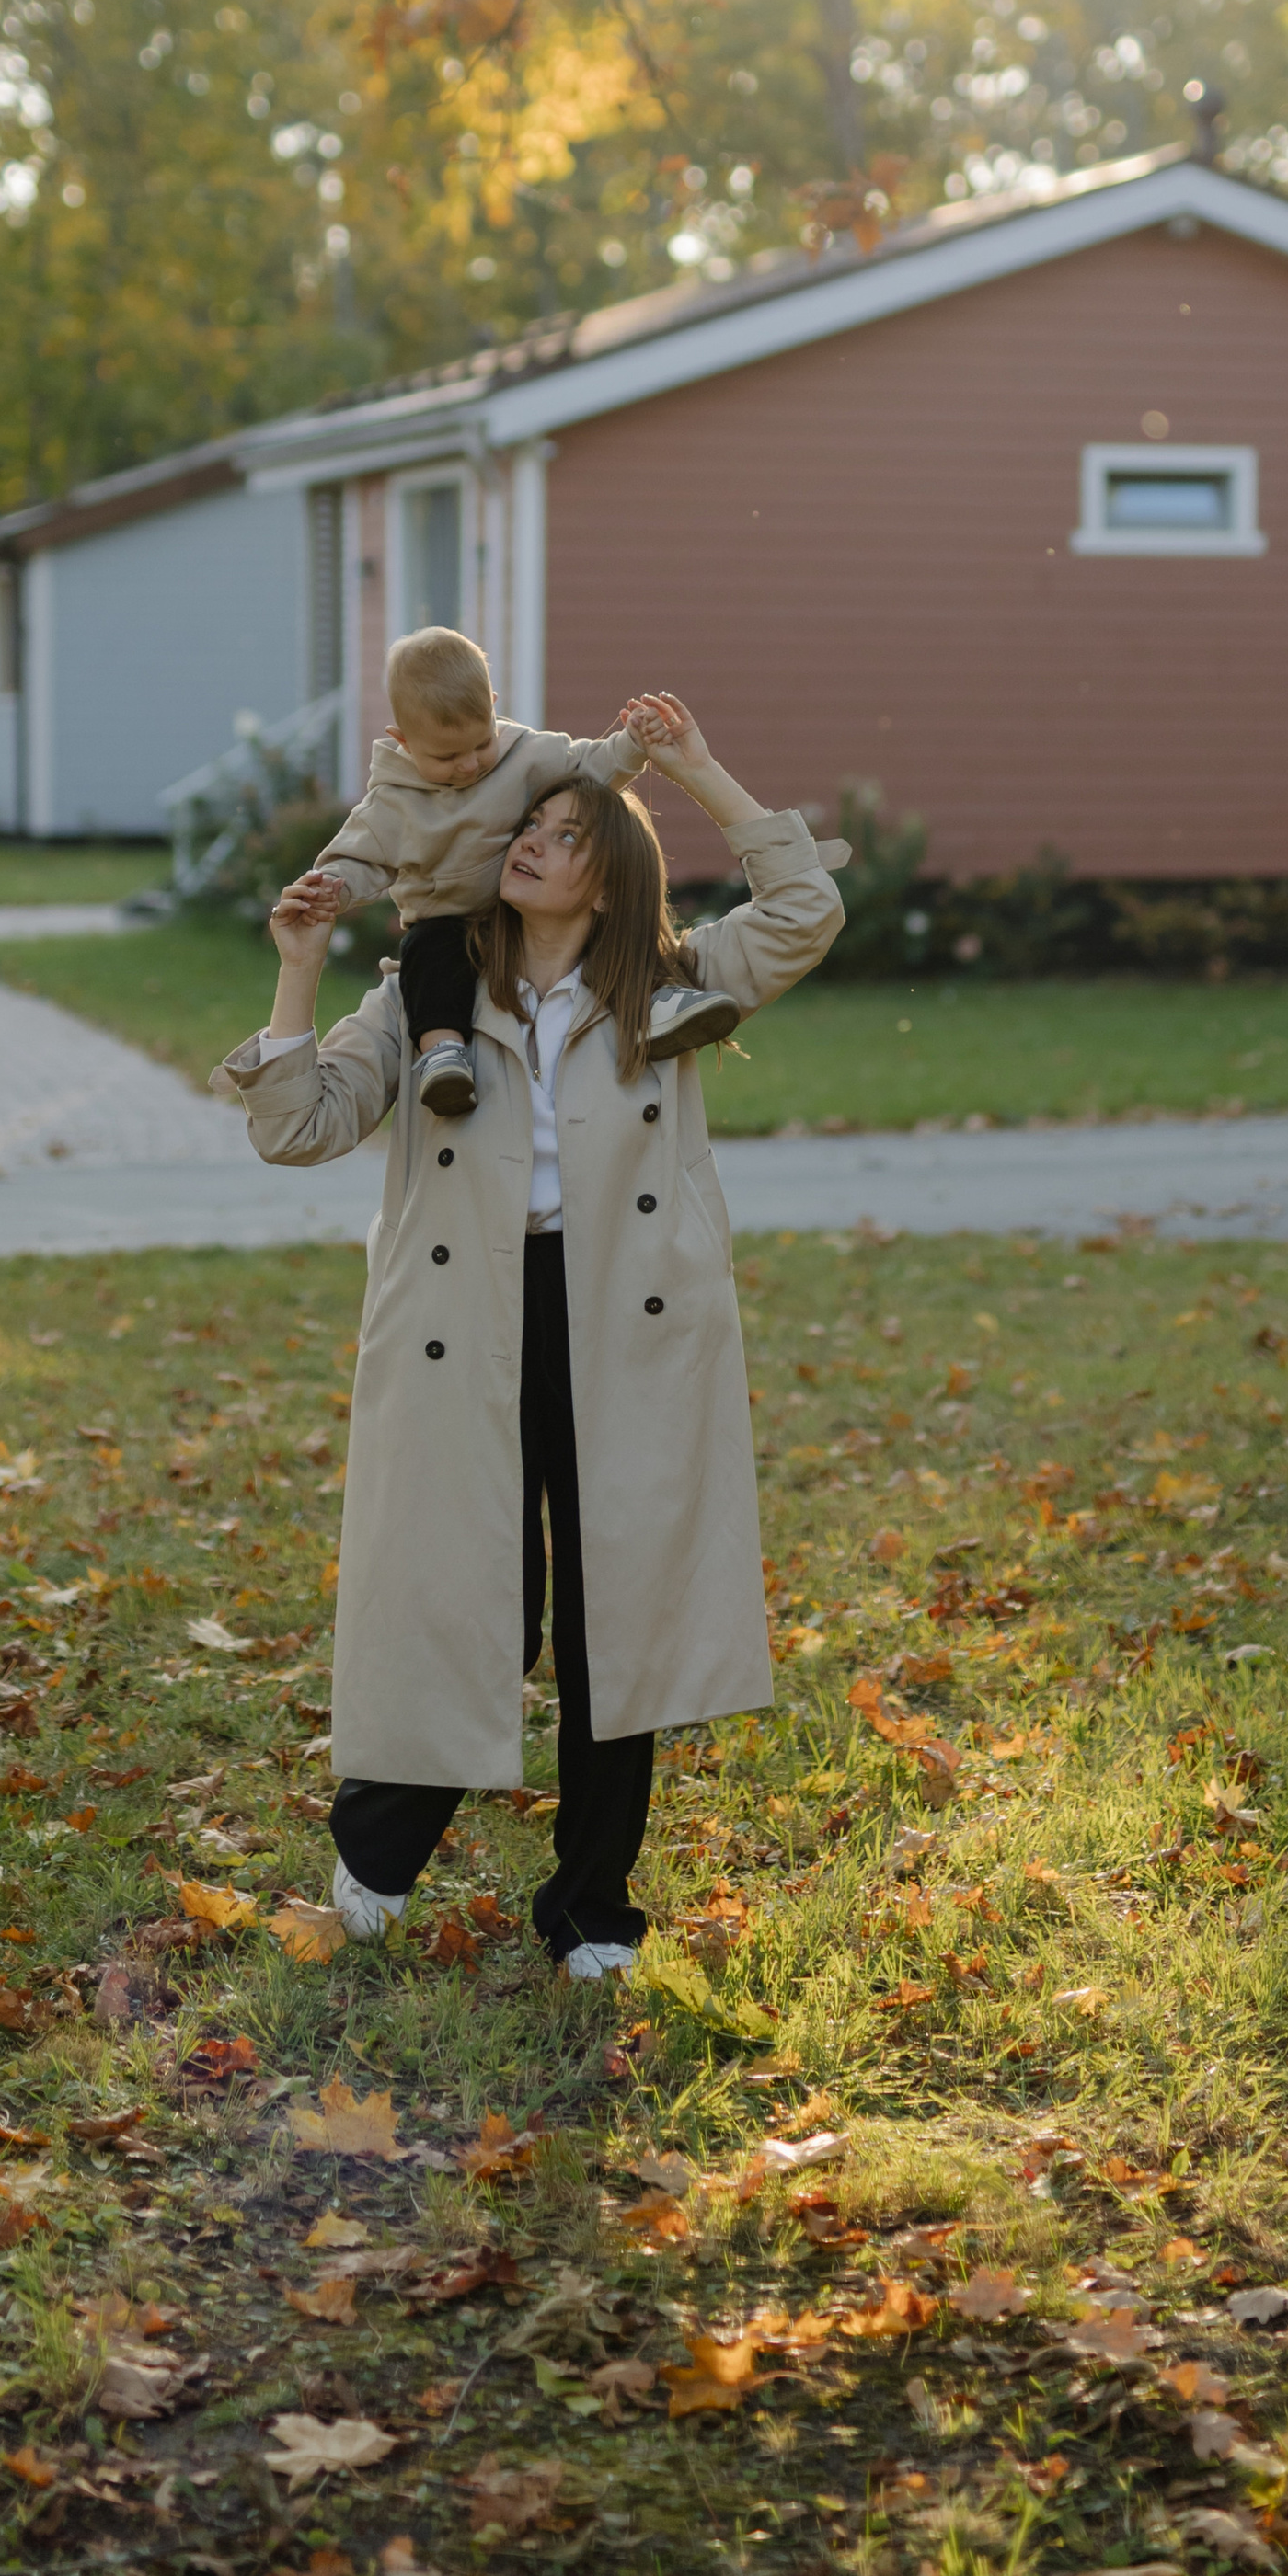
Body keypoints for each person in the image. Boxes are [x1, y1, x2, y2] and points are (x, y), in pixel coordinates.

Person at [214, 693, 843, 1979]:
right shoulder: (431, 993)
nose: (534, 841)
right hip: (466, 1326)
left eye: (567, 831)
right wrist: (295, 967)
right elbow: (299, 1125)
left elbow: (805, 912)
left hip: (626, 1328)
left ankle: (594, 1909)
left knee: (613, 1619)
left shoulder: (669, 990)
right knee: (467, 1592)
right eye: (531, 823)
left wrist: (700, 765)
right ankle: (377, 1853)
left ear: (610, 882)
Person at [287, 624, 742, 1119]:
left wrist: (633, 743)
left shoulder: (526, 755)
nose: (469, 766)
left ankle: (657, 1003)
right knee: (426, 955)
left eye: (481, 744)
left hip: (526, 914)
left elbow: (590, 766)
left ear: (494, 707)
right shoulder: (392, 804)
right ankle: (442, 1054)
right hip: (452, 926)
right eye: (446, 756)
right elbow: (355, 858)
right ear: (403, 741)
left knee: (599, 932)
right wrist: (331, 890)